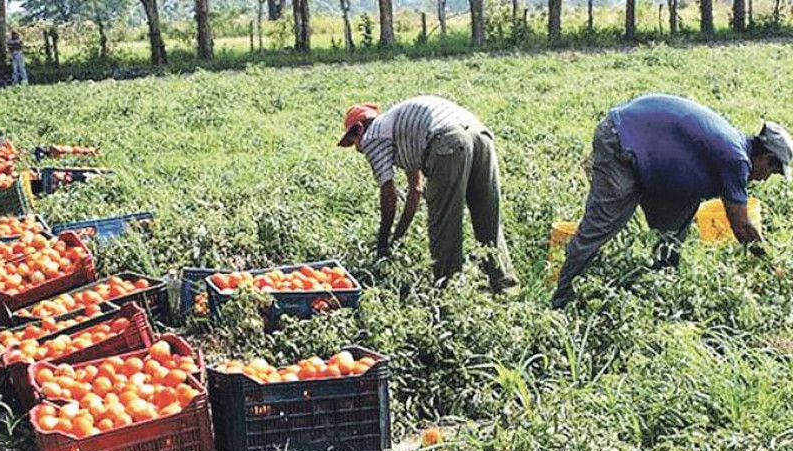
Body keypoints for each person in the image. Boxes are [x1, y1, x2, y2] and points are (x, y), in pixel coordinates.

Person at [552, 93, 792, 309]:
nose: (765, 179)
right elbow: (741, 225)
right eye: (773, 172)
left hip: (652, 159)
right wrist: (773, 266)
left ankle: (660, 290)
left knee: (677, 222)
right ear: (767, 158)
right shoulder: (736, 159)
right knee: (602, 225)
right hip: (620, 141)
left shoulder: (734, 147)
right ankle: (561, 300)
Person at [337, 95, 519, 292]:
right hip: (479, 134)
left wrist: (381, 245)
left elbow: (388, 197)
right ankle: (505, 288)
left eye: (353, 140)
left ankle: (449, 292)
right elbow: (415, 191)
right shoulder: (401, 129)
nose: (357, 148)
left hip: (447, 139)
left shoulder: (372, 136)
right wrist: (396, 240)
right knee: (488, 217)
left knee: (444, 223)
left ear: (360, 129)